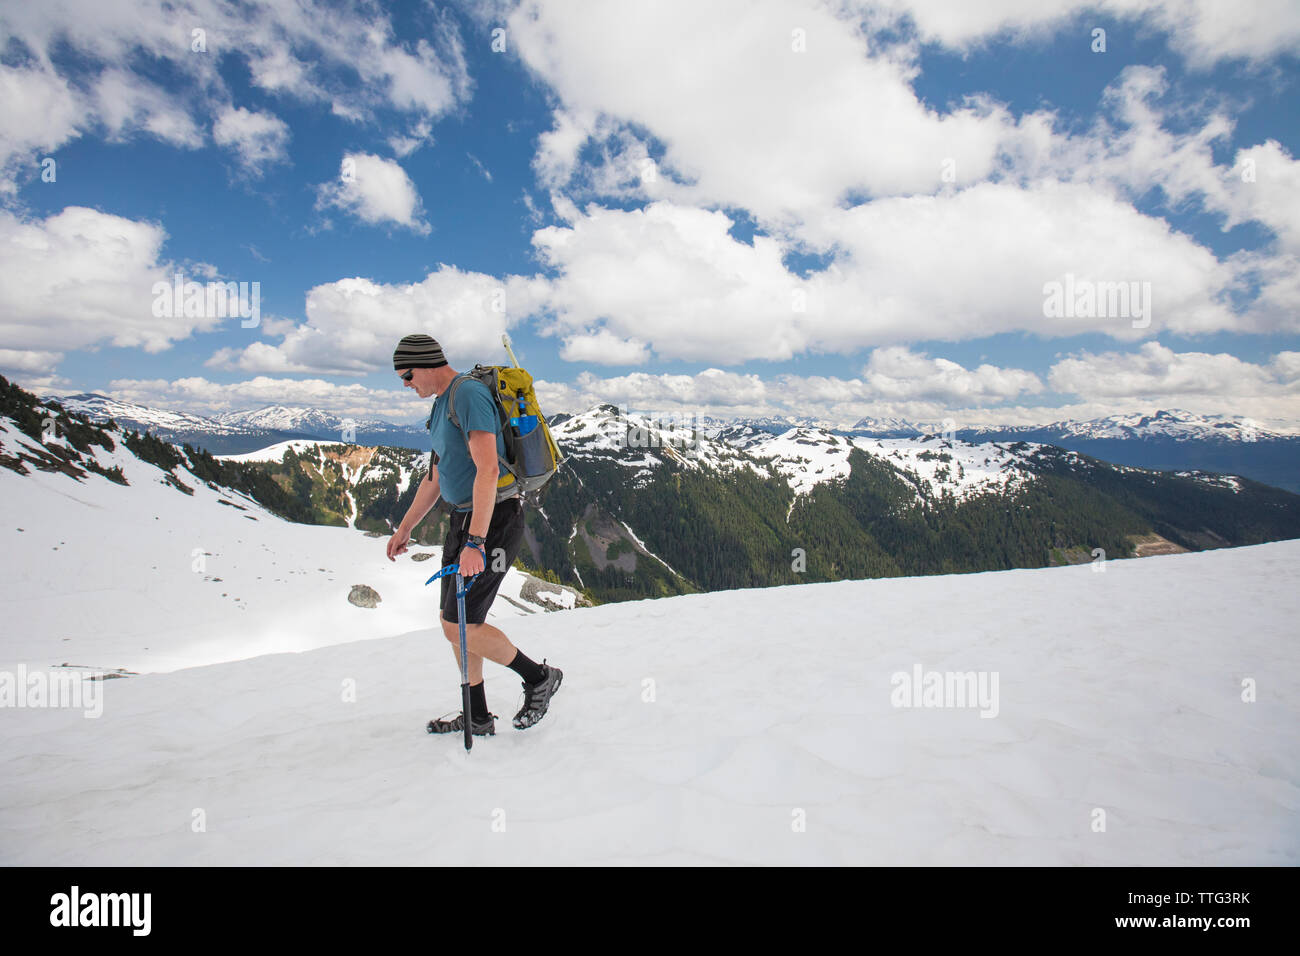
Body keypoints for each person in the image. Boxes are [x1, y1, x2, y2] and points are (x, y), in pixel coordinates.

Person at [385, 333, 562, 736]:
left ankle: (538, 677)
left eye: (407, 375)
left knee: (459, 624)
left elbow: (488, 471)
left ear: (428, 363)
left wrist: (476, 542)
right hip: (464, 520)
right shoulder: (440, 407)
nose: (406, 384)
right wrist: (406, 527)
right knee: (457, 621)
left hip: (492, 520)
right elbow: (435, 475)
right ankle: (478, 715)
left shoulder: (466, 395)